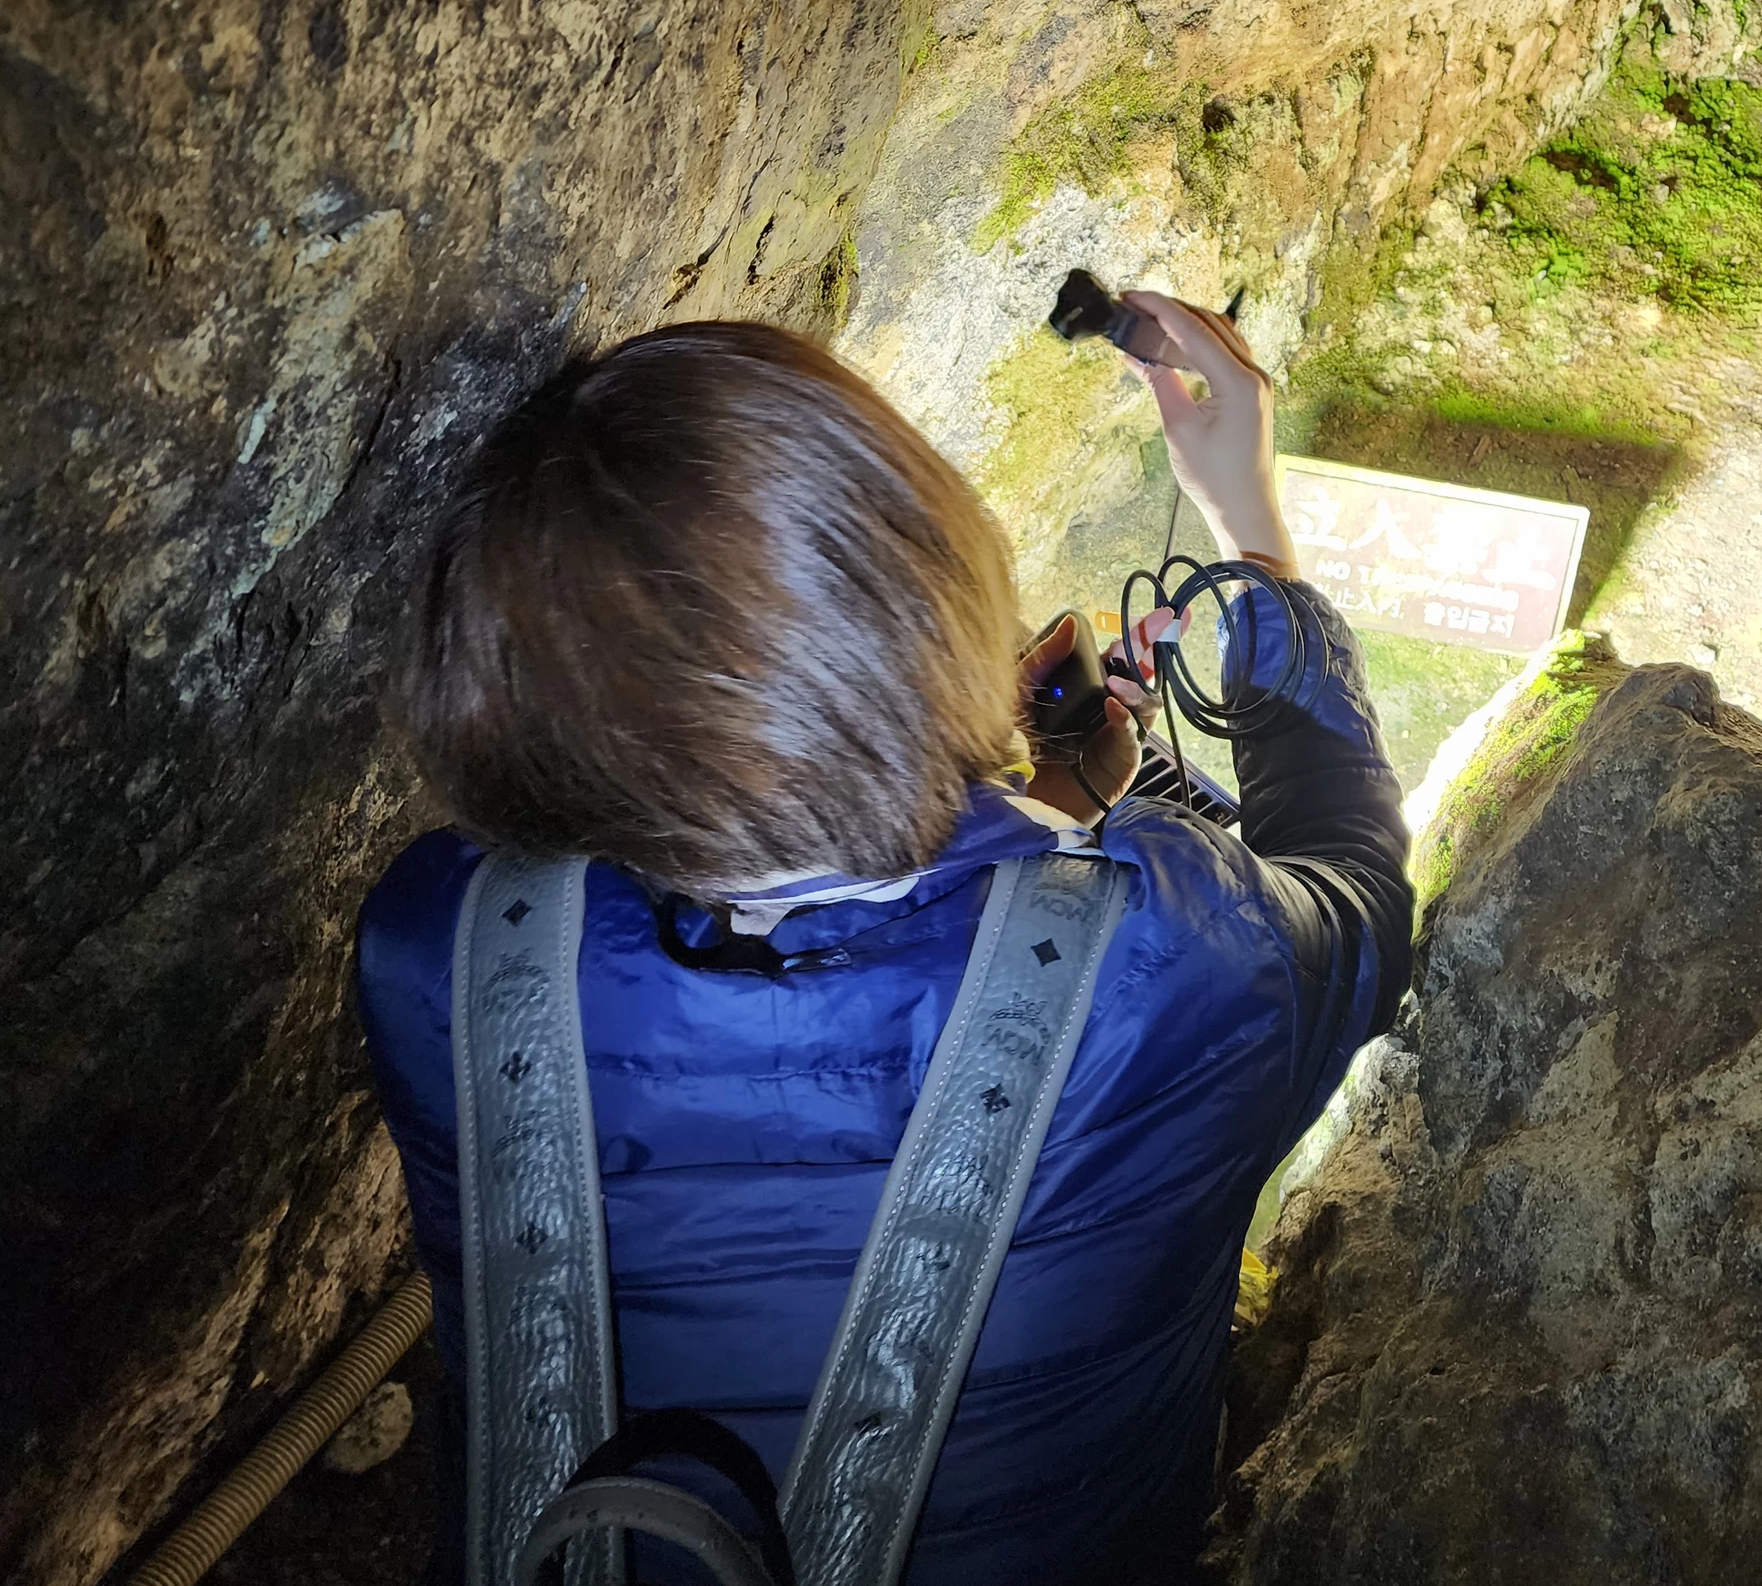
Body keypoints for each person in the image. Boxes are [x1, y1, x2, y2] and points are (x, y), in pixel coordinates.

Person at [354, 294, 1412, 1584]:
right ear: (926, 594)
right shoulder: (1177, 962)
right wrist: (1253, 535)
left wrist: (1020, 838)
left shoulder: (444, 960)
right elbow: (1356, 892)